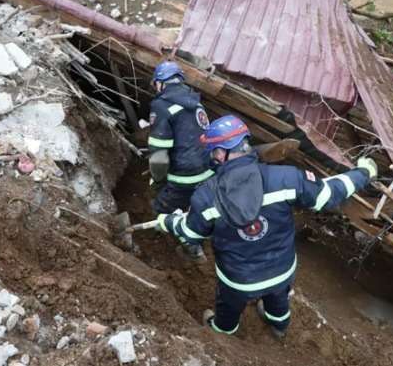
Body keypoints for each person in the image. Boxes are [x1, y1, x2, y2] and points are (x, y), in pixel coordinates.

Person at [154, 115, 377, 338]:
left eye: (213, 151)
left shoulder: (205, 197)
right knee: (279, 299)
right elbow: (328, 194)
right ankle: (279, 325)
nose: (212, 155)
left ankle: (222, 332)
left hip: (238, 280)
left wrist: (170, 222)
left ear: (221, 153)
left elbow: (191, 233)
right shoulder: (287, 178)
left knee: (228, 307)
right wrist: (363, 173)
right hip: (282, 271)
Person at [147, 61, 213, 260]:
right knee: (196, 207)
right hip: (208, 172)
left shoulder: (161, 106)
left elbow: (158, 159)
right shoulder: (197, 104)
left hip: (185, 176)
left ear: (160, 83)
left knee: (160, 208)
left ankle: (185, 249)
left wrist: (158, 181)